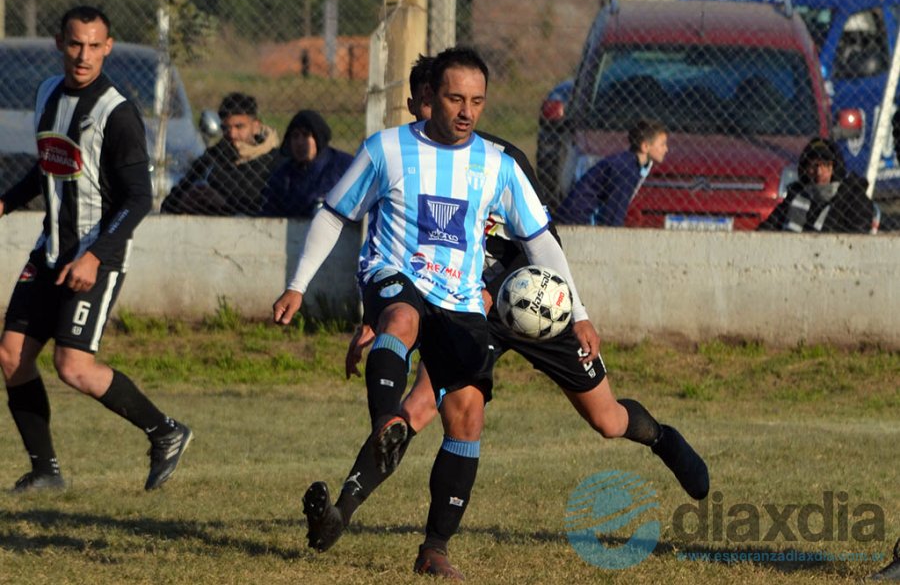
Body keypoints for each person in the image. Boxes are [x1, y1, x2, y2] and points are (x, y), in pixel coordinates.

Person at [272, 47, 706, 579]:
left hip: (531, 305)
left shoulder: (499, 162)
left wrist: (574, 311)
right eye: (434, 100)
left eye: (468, 100)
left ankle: (662, 438)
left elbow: (542, 240)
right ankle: (351, 516)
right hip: (463, 308)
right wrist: (376, 317)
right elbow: (397, 251)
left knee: (607, 419)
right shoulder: (400, 155)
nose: (450, 110)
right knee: (422, 410)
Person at [0, 6, 192, 493]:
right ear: (59, 44)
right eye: (75, 44)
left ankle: (165, 431)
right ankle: (46, 472)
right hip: (51, 250)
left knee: (73, 366)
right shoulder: (47, 92)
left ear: (107, 47)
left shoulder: (117, 113)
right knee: (11, 356)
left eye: (94, 46)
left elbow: (139, 198)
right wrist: (6, 201)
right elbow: (48, 167)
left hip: (95, 255)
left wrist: (94, 255)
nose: (83, 55)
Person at [161, 92, 280, 216]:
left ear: (256, 126)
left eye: (239, 127)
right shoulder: (212, 158)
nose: (232, 134)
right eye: (226, 128)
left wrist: (224, 205)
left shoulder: (274, 161)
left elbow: (271, 209)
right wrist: (184, 199)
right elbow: (169, 203)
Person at [554, 119, 668, 226]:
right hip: (577, 220)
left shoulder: (628, 163)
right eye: (662, 144)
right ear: (645, 147)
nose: (666, 149)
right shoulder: (626, 170)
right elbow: (613, 215)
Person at [757, 137, 877, 233]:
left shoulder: (853, 198)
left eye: (825, 165)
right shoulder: (796, 194)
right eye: (813, 166)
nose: (819, 172)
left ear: (833, 168)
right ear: (805, 169)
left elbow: (858, 236)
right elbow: (767, 229)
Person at [259, 109, 353, 218]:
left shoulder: (343, 166)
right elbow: (269, 212)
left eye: (306, 135)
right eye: (295, 136)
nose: (299, 142)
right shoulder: (283, 176)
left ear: (318, 138)